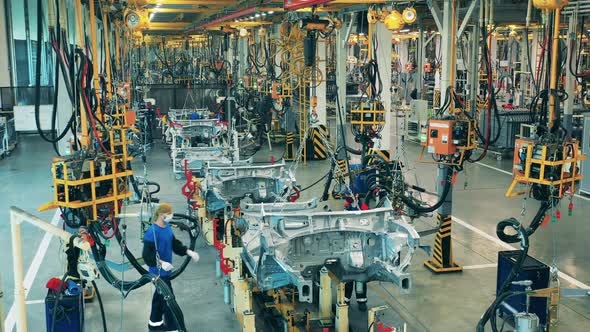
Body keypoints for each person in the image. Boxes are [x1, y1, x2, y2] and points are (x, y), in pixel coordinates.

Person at [143, 203, 200, 331]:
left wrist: (187, 251)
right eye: (169, 214)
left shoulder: (167, 228)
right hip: (157, 273)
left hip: (165, 272)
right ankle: (173, 328)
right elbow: (147, 256)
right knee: (169, 300)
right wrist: (162, 263)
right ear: (162, 215)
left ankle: (154, 323)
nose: (171, 216)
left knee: (159, 298)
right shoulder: (151, 232)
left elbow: (174, 244)